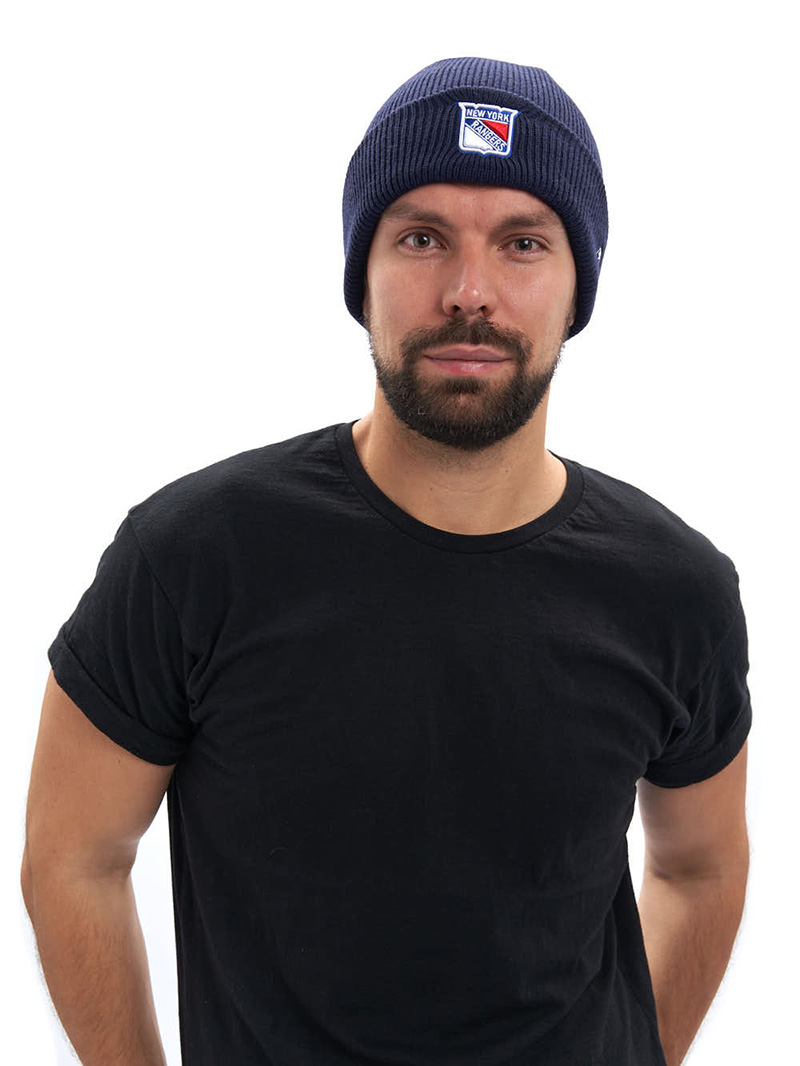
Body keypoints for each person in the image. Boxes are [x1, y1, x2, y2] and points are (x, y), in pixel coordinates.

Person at [21, 57, 751, 1066]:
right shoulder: (193, 557)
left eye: (522, 243)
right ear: (359, 275)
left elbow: (700, 868)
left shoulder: (675, 590)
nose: (468, 293)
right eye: (420, 238)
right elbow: (72, 857)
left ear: (577, 283)